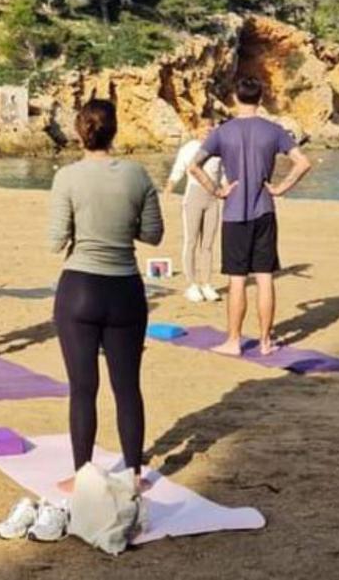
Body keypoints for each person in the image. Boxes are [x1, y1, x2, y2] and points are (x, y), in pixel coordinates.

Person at [48, 99, 163, 495]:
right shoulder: (138, 175)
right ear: (115, 131)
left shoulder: (67, 177)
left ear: (80, 133)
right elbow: (153, 234)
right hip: (125, 289)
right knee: (127, 385)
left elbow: (55, 240)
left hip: (79, 288)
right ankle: (133, 473)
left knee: (83, 388)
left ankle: (83, 474)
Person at [188, 76, 313, 356]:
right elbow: (303, 163)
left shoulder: (223, 131)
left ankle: (234, 341)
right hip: (264, 210)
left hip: (234, 213)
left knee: (237, 280)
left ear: (235, 97)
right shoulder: (274, 130)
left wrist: (217, 190)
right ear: (261, 98)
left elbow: (194, 166)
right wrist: (280, 187)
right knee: (265, 277)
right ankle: (266, 341)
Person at [165, 124, 223, 303]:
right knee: (191, 241)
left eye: (212, 127)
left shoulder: (219, 148)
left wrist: (227, 190)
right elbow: (178, 170)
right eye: (205, 127)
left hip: (212, 198)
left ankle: (206, 283)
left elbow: (224, 173)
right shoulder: (189, 148)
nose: (208, 130)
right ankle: (191, 285)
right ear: (197, 129)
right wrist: (169, 189)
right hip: (193, 196)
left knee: (208, 244)